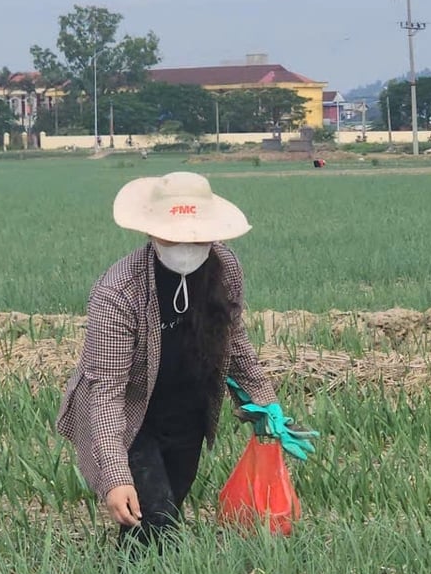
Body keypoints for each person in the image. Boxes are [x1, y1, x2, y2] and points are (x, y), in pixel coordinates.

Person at [56, 171, 316, 545]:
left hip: (187, 407)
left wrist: (266, 405)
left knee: (163, 516)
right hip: (131, 409)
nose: (186, 244)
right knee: (154, 514)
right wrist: (115, 476)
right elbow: (107, 392)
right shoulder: (119, 292)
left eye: (196, 235)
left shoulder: (225, 268)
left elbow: (234, 341)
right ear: (150, 231)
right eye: (173, 234)